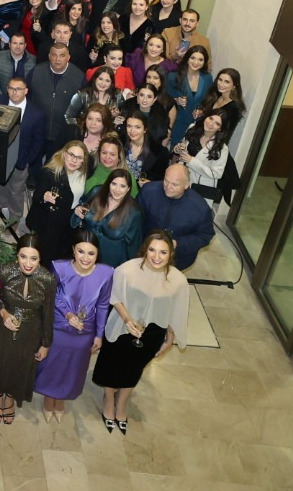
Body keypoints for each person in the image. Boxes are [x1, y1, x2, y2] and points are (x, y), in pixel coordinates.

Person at [93, 231, 190, 433]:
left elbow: (176, 309)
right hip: (122, 325)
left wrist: (170, 338)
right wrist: (127, 318)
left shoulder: (178, 280)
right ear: (145, 249)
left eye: (163, 252)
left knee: (135, 367)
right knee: (113, 363)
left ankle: (122, 403)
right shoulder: (126, 270)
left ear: (171, 254)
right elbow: (115, 296)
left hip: (153, 333)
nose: (156, 256)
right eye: (152, 250)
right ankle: (109, 399)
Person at [34, 228, 116, 422]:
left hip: (85, 331)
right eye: (81, 251)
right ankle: (49, 398)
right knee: (52, 365)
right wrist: (68, 313)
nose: (85, 258)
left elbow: (103, 304)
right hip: (58, 326)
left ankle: (61, 398)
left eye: (91, 253)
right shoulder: (59, 267)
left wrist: (99, 334)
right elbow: (50, 296)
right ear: (73, 250)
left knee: (73, 367)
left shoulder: (106, 273)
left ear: (97, 254)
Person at [0, 234, 56, 424]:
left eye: (33, 258)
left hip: (31, 331)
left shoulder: (47, 279)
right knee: (0, 361)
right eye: (23, 257)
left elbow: (48, 312)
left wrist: (46, 343)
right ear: (16, 256)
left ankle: (11, 396)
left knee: (20, 364)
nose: (28, 263)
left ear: (40, 258)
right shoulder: (4, 272)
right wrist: (3, 314)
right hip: (3, 327)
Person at [137, 164, 215, 270]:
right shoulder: (148, 191)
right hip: (145, 252)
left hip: (178, 260)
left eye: (175, 184)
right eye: (166, 181)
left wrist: (178, 243)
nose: (168, 187)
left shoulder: (200, 207)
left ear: (186, 185)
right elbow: (135, 217)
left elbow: (205, 236)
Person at [27, 141, 90, 263]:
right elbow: (37, 197)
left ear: (84, 160)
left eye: (79, 158)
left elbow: (79, 198)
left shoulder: (83, 174)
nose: (74, 160)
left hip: (68, 223)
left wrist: (78, 207)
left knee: (62, 257)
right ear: (64, 153)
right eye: (71, 155)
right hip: (49, 224)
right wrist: (45, 196)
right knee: (45, 258)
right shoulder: (49, 172)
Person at [76, 168, 144, 267]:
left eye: (122, 186)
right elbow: (81, 212)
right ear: (108, 184)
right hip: (85, 255)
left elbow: (133, 247)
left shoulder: (134, 213)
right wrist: (78, 212)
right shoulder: (96, 192)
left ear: (128, 188)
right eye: (114, 184)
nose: (117, 190)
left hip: (110, 262)